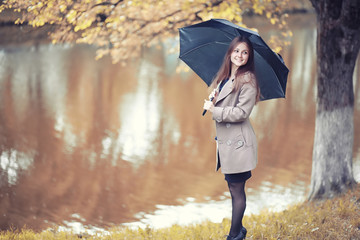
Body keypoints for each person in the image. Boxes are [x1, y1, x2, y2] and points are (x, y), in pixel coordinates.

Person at [203, 36, 260, 240]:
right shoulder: (226, 76)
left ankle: (234, 235)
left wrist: (215, 111)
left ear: (249, 56)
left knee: (237, 190)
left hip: (239, 144)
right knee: (233, 187)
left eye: (245, 52)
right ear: (230, 53)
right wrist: (214, 100)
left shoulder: (248, 79)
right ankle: (239, 231)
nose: (240, 55)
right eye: (237, 51)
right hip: (228, 143)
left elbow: (241, 113)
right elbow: (225, 100)